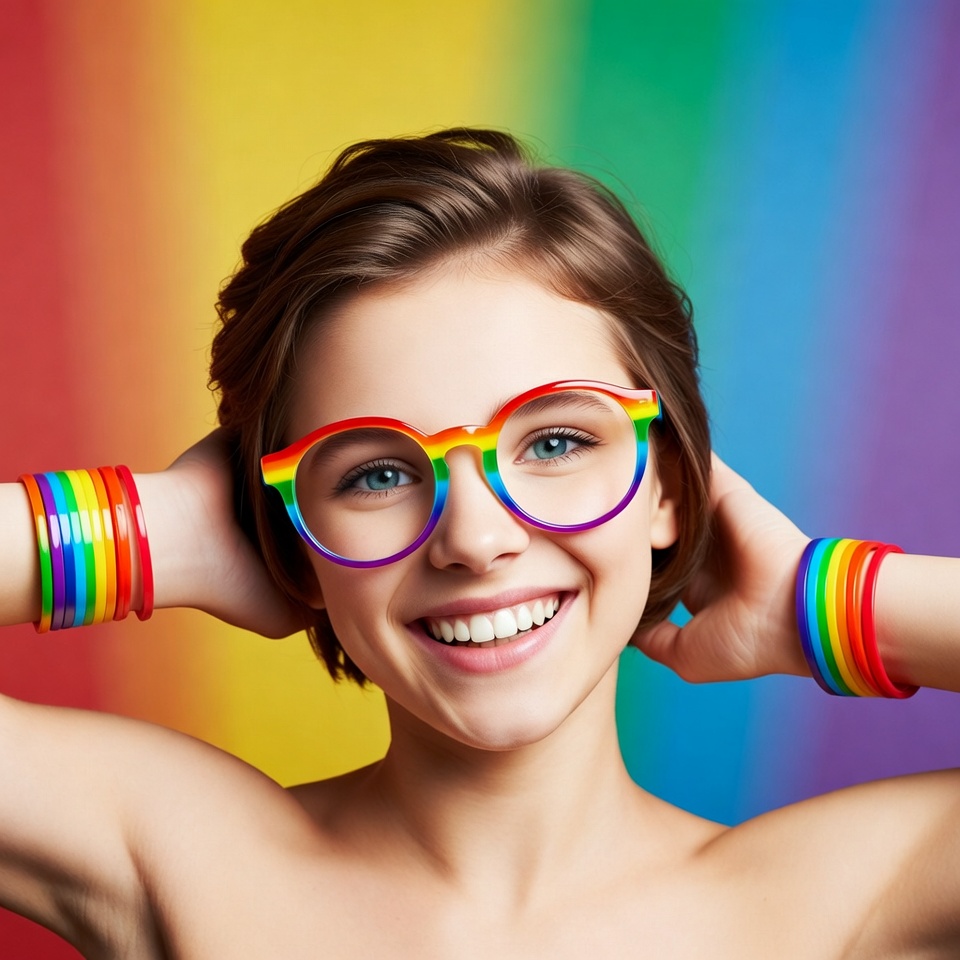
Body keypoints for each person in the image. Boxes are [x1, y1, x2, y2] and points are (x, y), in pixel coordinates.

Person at [1, 128, 958, 958]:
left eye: (555, 441)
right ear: (289, 536)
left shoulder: (832, 900)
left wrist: (827, 602)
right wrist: (149, 534)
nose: (475, 537)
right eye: (375, 472)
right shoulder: (176, 858)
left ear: (670, 483)